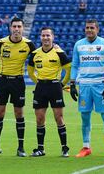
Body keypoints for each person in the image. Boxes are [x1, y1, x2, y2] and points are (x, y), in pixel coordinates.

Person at [0, 17, 36, 158]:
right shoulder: (1, 43)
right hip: (2, 81)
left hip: (18, 82)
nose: (16, 29)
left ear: (23, 28)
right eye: (14, 26)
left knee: (19, 114)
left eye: (19, 26)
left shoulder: (29, 45)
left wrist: (55, 46)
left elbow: (40, 56)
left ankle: (20, 148)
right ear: (10, 28)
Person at [70, 19, 104, 158]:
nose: (89, 30)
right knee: (84, 117)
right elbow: (75, 65)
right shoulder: (78, 45)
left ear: (97, 29)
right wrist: (72, 84)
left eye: (92, 28)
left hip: (100, 85)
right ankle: (86, 147)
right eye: (87, 28)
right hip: (84, 85)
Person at [27, 27, 71, 157]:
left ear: (53, 37)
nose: (45, 38)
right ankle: (40, 149)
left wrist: (62, 84)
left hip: (55, 87)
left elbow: (68, 68)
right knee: (39, 118)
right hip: (41, 87)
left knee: (59, 118)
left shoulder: (59, 52)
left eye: (48, 36)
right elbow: (30, 71)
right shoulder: (35, 53)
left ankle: (64, 148)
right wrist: (38, 82)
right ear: (40, 37)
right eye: (43, 36)